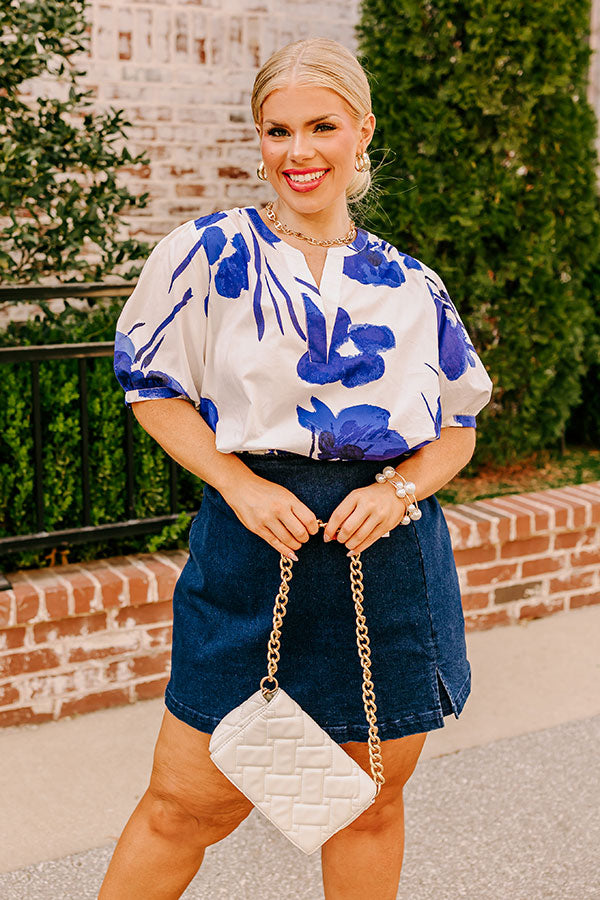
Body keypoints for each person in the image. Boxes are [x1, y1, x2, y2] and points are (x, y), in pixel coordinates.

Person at [100, 37, 493, 900]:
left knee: (367, 808)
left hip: (384, 569)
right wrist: (238, 483)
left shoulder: (411, 284)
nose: (298, 152)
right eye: (277, 131)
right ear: (260, 140)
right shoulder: (208, 253)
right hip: (249, 562)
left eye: (321, 126)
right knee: (180, 808)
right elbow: (150, 386)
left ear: (362, 132)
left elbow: (458, 426)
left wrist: (397, 491)